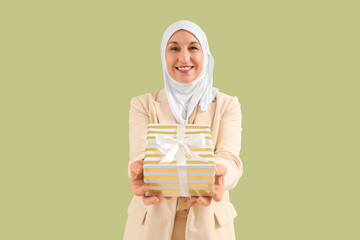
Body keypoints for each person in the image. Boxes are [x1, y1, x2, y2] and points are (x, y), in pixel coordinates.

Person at [123, 20, 243, 240]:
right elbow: (140, 155)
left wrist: (218, 175)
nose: (184, 57)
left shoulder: (227, 105)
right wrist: (137, 170)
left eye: (193, 47)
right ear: (163, 55)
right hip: (150, 226)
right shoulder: (143, 104)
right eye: (174, 48)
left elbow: (230, 159)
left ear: (205, 54)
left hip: (210, 227)